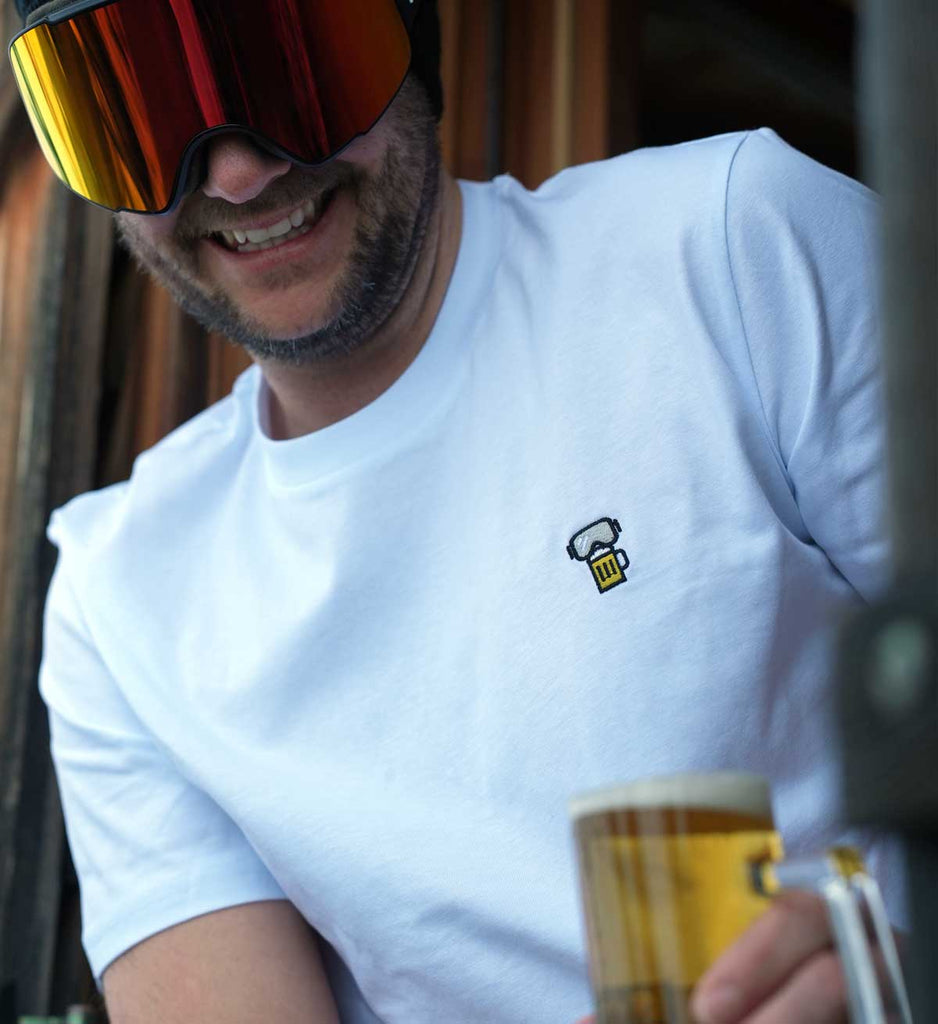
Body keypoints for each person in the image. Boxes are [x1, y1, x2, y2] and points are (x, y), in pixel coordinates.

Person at [13, 0, 903, 1020]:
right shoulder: (121, 594)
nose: (239, 175)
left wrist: (900, 974)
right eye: (140, 111)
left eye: (287, 63)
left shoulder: (730, 246)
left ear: (409, 38)